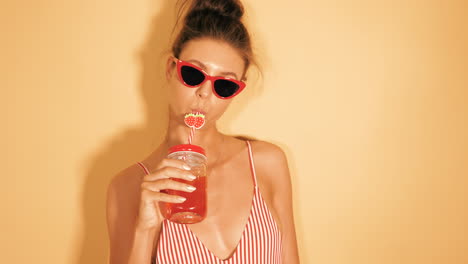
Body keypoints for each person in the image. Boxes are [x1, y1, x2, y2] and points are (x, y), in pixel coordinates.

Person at [106, 0, 300, 263]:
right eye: (194, 74)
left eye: (224, 85)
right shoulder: (128, 187)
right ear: (170, 69)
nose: (205, 93)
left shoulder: (267, 163)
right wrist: (146, 230)